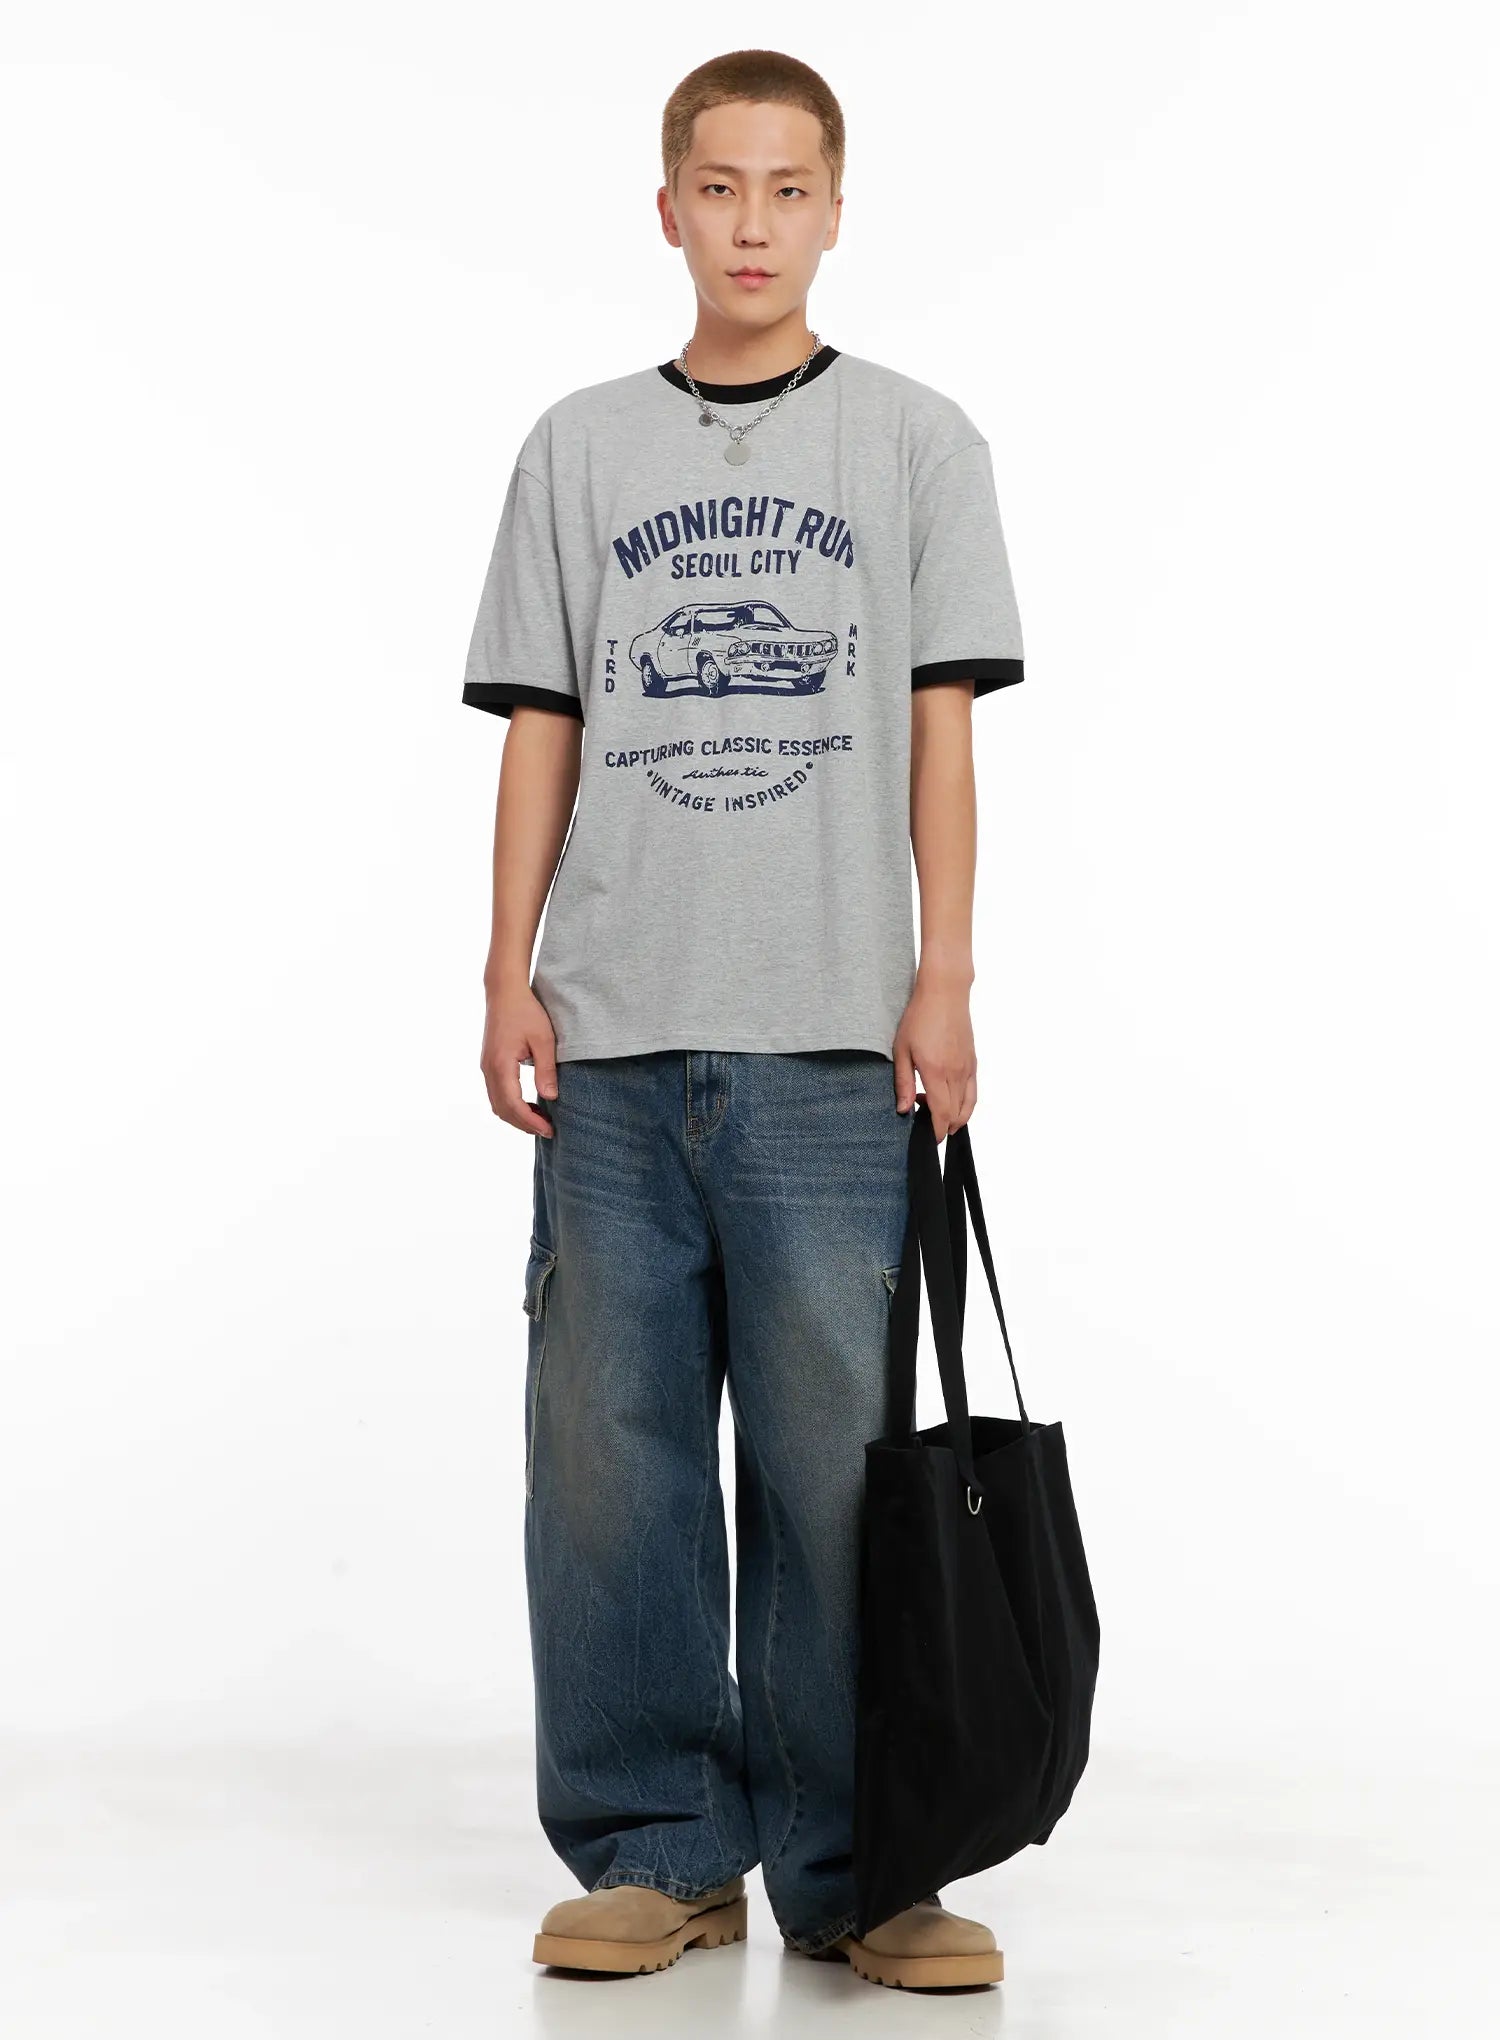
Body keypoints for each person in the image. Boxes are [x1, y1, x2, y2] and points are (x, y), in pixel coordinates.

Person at [461, 48, 1023, 1992]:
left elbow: (941, 738)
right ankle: (656, 1848)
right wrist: (505, 964)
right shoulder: (577, 449)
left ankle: (862, 1869)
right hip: (612, 1042)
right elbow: (545, 725)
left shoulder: (918, 445)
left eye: (790, 189)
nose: (754, 223)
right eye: (720, 187)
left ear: (837, 211)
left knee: (834, 1478)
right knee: (607, 1466)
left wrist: (945, 975)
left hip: (829, 1044)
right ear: (669, 209)